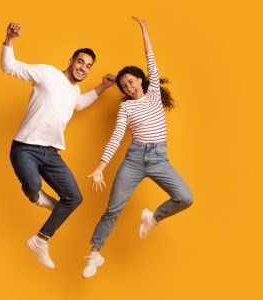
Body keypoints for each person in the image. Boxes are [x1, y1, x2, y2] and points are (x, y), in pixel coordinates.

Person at [83, 17, 193, 278]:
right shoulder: (126, 107)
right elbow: (116, 137)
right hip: (133, 160)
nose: (128, 87)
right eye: (124, 85)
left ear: (141, 80)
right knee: (113, 209)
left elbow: (151, 58)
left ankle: (153, 218)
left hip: (158, 158)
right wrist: (100, 168)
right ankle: (93, 255)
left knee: (185, 198)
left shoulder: (154, 93)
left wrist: (144, 30)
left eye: (131, 81)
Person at [1, 23, 115, 269]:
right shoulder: (47, 73)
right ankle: (38, 197)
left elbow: (80, 104)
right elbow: (9, 67)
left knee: (74, 197)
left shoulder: (75, 91)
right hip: (26, 147)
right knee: (32, 185)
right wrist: (9, 39)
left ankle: (40, 240)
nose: (83, 68)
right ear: (71, 60)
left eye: (88, 66)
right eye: (81, 62)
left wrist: (103, 86)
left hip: (51, 153)